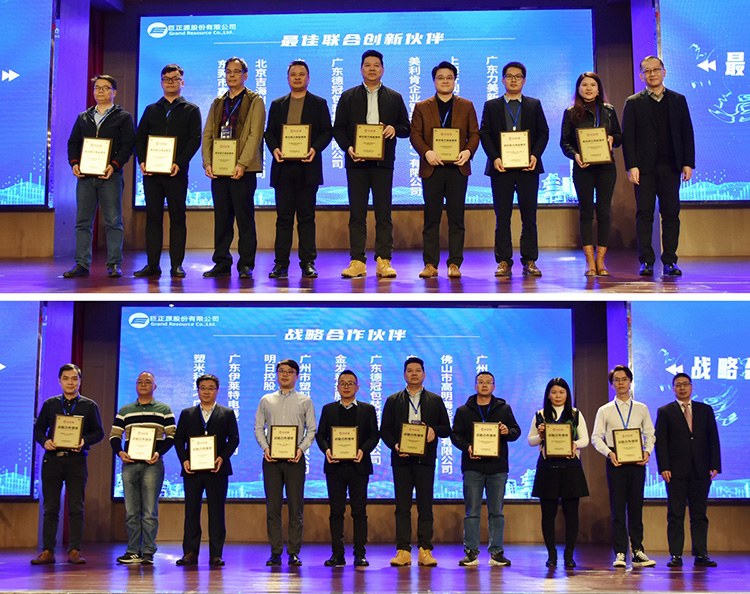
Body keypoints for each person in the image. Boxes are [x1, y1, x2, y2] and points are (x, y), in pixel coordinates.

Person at [333, 49, 410, 278]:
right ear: (361, 69)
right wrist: (349, 148)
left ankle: (383, 260)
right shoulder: (348, 96)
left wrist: (394, 128)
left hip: (383, 164)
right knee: (357, 213)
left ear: (383, 69)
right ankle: (357, 261)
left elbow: (406, 127)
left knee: (383, 213)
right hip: (356, 162)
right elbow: (338, 129)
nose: (372, 69)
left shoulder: (394, 97)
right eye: (367, 65)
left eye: (376, 65)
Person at [622, 56, 695, 277]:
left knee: (671, 214)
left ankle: (670, 261)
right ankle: (646, 261)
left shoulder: (678, 100)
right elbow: (628, 137)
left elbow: (687, 132)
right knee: (644, 214)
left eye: (656, 70)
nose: (652, 74)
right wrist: (631, 166)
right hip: (644, 169)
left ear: (664, 72)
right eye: (647, 71)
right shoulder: (633, 102)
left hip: (671, 166)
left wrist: (688, 163)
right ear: (641, 76)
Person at [410, 61, 480, 279]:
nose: (445, 81)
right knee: (431, 218)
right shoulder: (422, 106)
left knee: (456, 218)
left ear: (455, 80)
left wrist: (468, 151)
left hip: (458, 168)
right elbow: (415, 134)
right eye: (440, 77)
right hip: (432, 167)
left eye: (449, 77)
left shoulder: (466, 105)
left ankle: (455, 263)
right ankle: (430, 264)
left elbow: (475, 134)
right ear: (434, 81)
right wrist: (426, 152)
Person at [480, 62, 549, 278]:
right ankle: (503, 261)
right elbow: (485, 134)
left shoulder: (534, 104)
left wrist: (534, 155)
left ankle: (529, 260)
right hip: (501, 169)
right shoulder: (491, 106)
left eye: (518, 76)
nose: (513, 80)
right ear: (502, 80)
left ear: (524, 81)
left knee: (529, 216)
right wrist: (495, 158)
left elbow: (543, 132)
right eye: (509, 76)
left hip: (528, 168)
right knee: (502, 217)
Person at [265, 60, 333, 279]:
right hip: (283, 169)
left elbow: (327, 131)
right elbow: (269, 132)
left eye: (301, 74)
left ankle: (308, 263)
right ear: (287, 78)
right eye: (293, 74)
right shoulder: (277, 104)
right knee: (283, 219)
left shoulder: (319, 103)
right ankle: (280, 264)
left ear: (308, 78)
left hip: (308, 168)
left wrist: (314, 149)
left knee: (306, 218)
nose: (297, 77)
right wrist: (275, 149)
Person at [379, 357, 451, 566]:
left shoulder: (435, 400)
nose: (413, 374)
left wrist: (433, 430)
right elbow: (385, 430)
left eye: (417, 370)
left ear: (424, 374)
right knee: (402, 506)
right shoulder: (393, 400)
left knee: (425, 506)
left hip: (425, 460)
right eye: (409, 370)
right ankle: (403, 550)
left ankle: (425, 549)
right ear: (404, 374)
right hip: (401, 460)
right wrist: (396, 445)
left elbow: (446, 428)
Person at [31, 364, 104, 565]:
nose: (70, 382)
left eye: (74, 378)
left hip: (76, 461)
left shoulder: (89, 405)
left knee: (76, 507)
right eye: (66, 378)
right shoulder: (50, 404)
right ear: (59, 381)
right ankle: (48, 551)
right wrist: (44, 441)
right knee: (51, 507)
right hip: (52, 460)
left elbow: (99, 432)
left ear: (80, 381)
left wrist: (84, 441)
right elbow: (38, 430)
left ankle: (74, 551)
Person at [134, 64, 202, 278]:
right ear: (161, 82)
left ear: (182, 82)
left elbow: (194, 140)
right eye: (166, 79)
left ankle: (176, 265)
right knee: (153, 218)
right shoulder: (151, 109)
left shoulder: (191, 110)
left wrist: (179, 163)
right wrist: (142, 161)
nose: (170, 82)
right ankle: (152, 265)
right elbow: (140, 138)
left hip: (176, 173)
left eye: (175, 79)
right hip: (152, 174)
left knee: (177, 218)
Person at [64, 75, 135, 279]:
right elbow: (73, 143)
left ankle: (114, 263)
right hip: (85, 177)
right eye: (97, 88)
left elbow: (128, 145)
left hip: (110, 176)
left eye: (105, 88)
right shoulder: (83, 116)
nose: (100, 91)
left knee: (113, 221)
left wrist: (114, 165)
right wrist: (74, 163)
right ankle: (81, 263)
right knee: (83, 222)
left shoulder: (123, 117)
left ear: (114, 92)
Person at [201, 57, 266, 279]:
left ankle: (246, 264)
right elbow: (208, 133)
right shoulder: (218, 102)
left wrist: (241, 164)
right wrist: (207, 162)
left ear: (245, 75)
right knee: (222, 219)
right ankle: (221, 262)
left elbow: (255, 135)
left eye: (236, 72)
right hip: (220, 168)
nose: (231, 75)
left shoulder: (255, 100)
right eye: (228, 71)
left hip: (243, 170)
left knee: (244, 218)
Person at [450, 371, 520, 567]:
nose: (484, 385)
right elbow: (455, 435)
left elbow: (516, 431)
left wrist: (507, 431)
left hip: (497, 468)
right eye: (480, 382)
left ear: (493, 386)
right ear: (475, 386)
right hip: (473, 467)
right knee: (472, 512)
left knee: (496, 512)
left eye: (488, 382)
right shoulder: (464, 410)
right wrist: (467, 447)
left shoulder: (504, 408)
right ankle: (471, 552)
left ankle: (496, 552)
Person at [590, 365, 656, 568]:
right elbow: (595, 437)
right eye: (616, 380)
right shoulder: (605, 410)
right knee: (618, 509)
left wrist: (647, 452)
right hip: (616, 461)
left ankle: (638, 551)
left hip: (637, 462)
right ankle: (620, 552)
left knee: (636, 507)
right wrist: (609, 453)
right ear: (612, 384)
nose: (621, 383)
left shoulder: (641, 408)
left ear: (630, 382)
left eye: (624, 379)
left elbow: (650, 434)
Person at [254, 359, 317, 567]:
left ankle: (294, 552)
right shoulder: (266, 400)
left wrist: (300, 449)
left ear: (297, 376)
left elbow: (311, 430)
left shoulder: (305, 401)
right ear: (276, 374)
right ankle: (275, 552)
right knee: (273, 508)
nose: (285, 375)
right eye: (281, 371)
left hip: (295, 460)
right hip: (271, 460)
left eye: (290, 372)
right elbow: (258, 427)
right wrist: (266, 448)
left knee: (295, 508)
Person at [655, 373, 721, 568]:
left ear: (691, 387)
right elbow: (661, 442)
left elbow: (713, 438)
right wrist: (664, 467)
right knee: (675, 515)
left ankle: (701, 554)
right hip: (675, 473)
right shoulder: (665, 411)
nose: (682, 388)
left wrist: (715, 464)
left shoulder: (705, 410)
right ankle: (676, 555)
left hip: (701, 470)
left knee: (699, 515)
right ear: (673, 388)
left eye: (685, 384)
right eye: (678, 385)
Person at [110, 371, 176, 565]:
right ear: (136, 385)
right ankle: (133, 551)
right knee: (131, 511)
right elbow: (115, 435)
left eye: (148, 382)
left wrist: (158, 453)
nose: (143, 384)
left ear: (155, 386)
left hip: (153, 464)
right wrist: (120, 453)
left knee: (149, 511)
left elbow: (171, 436)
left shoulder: (164, 410)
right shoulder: (125, 410)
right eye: (140, 381)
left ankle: (148, 551)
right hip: (129, 464)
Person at [315, 370, 380, 567]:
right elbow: (321, 435)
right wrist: (327, 450)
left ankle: (360, 554)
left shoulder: (368, 409)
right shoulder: (328, 409)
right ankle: (337, 554)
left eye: (350, 383)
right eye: (342, 383)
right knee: (336, 511)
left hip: (359, 467)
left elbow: (374, 435)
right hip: (335, 467)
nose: (346, 386)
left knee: (359, 511)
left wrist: (363, 450)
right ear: (337, 387)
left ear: (357, 387)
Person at [173, 374, 240, 567]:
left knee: (217, 513)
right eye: (203, 388)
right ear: (198, 390)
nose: (207, 391)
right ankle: (190, 553)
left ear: (217, 391)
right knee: (191, 512)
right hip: (192, 471)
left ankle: (216, 555)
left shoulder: (227, 413)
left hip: (217, 470)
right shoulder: (187, 413)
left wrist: (222, 457)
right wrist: (184, 460)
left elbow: (234, 439)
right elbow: (179, 439)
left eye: (211, 388)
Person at [560, 72, 622, 276]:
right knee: (586, 213)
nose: (588, 88)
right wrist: (575, 155)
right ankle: (589, 262)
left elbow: (619, 136)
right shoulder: (571, 112)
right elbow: (565, 142)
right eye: (584, 85)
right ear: (578, 89)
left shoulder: (609, 110)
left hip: (606, 168)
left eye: (592, 85)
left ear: (598, 89)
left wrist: (613, 138)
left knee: (604, 213)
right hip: (583, 168)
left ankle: (601, 261)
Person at [527, 377, 589, 568]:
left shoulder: (575, 414)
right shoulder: (540, 415)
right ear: (548, 395)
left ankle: (569, 555)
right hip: (548, 469)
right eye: (554, 392)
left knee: (571, 514)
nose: (558, 396)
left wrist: (574, 444)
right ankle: (551, 555)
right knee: (548, 514)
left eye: (562, 392)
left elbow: (585, 439)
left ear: (567, 394)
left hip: (570, 468)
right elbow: (530, 441)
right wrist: (540, 435)